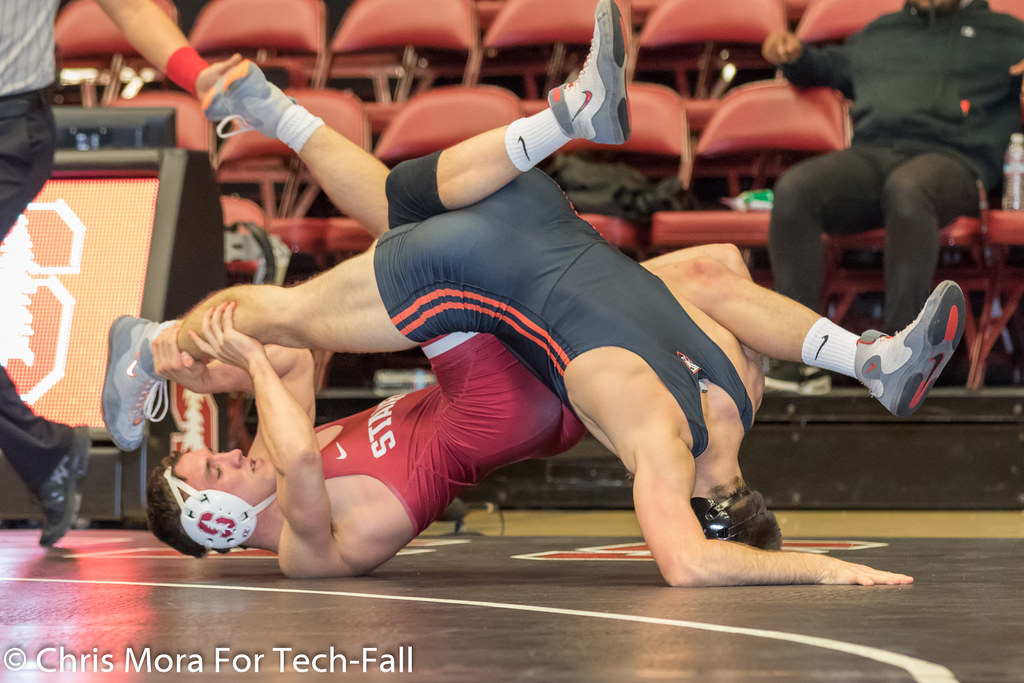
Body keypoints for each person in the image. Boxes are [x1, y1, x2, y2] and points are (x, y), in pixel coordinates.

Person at [112, 0, 963, 586]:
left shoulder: (729, 399)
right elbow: (695, 559)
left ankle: (561, 119)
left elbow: (294, 408)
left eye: (212, 454)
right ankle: (152, 345)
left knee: (381, 230)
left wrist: (255, 359)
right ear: (221, 520)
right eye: (219, 466)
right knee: (291, 298)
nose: (231, 453)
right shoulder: (692, 423)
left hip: (510, 336)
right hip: (499, 359)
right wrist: (815, 565)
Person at [0, 0, 241, 546]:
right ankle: (48, 454)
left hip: (9, 128)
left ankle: (48, 454)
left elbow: (131, 7)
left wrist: (197, 74)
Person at [759, 0, 1024, 394]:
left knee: (909, 189)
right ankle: (799, 357)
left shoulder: (1007, 34)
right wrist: (792, 54)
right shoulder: (880, 32)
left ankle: (898, 358)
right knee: (797, 189)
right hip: (873, 154)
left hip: (956, 160)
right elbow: (825, 67)